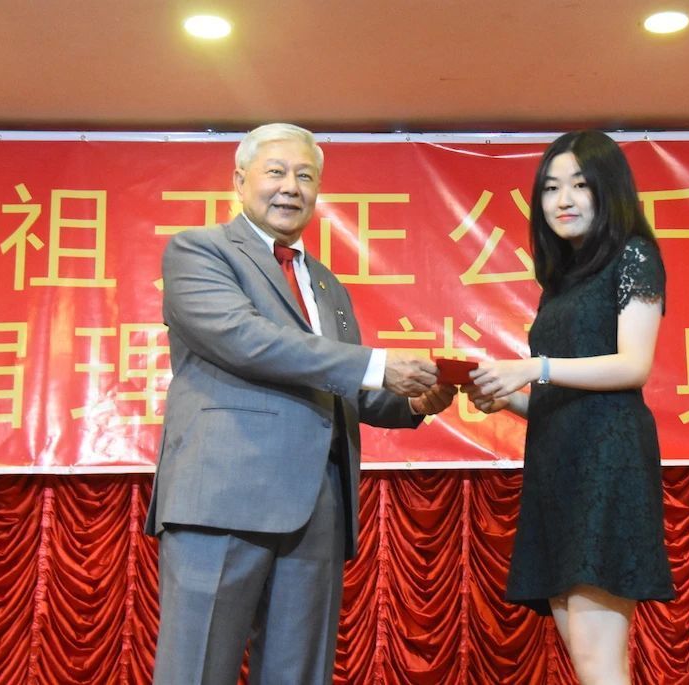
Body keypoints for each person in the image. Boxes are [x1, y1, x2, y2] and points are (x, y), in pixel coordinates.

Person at [145, 123, 456, 685]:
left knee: (299, 674)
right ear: (240, 181)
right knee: (197, 670)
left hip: (317, 506)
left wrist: (415, 401)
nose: (291, 187)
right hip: (222, 498)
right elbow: (244, 339)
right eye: (276, 172)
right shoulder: (200, 250)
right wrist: (378, 365)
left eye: (305, 176)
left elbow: (343, 389)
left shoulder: (326, 284)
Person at [465, 130, 674, 685]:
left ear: (609, 190)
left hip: (607, 465)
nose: (563, 200)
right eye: (551, 188)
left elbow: (633, 366)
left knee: (596, 658)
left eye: (580, 185)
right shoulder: (560, 283)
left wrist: (533, 368)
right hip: (558, 468)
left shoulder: (634, 255)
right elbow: (560, 399)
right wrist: (503, 397)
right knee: (586, 656)